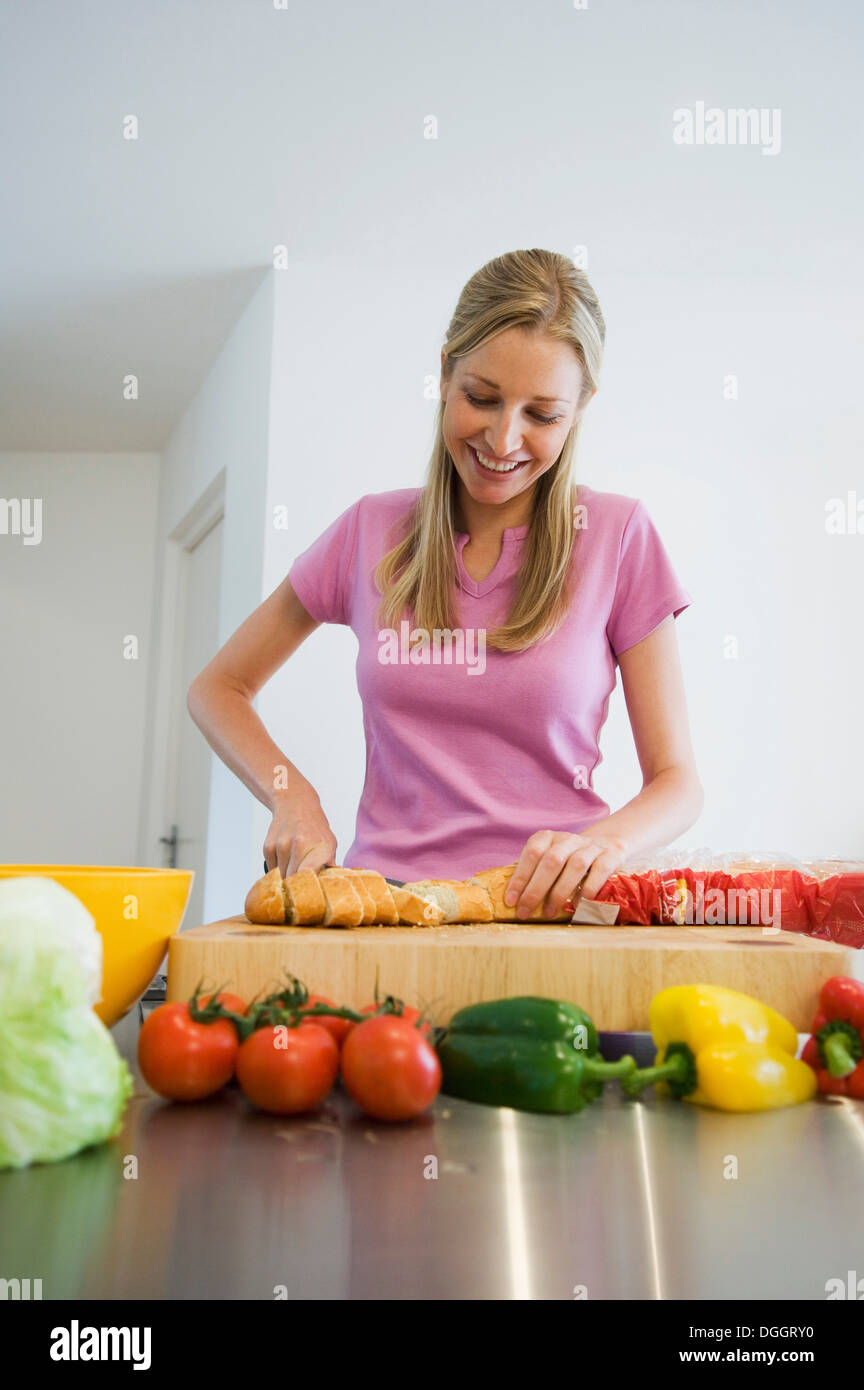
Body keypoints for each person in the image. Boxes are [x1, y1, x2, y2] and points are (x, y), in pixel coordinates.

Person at [188, 248, 702, 919]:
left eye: (541, 414)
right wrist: (293, 795)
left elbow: (679, 782)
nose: (502, 438)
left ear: (580, 410)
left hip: (554, 912)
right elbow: (217, 689)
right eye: (481, 398)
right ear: (444, 376)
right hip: (388, 911)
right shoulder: (370, 530)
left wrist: (602, 844)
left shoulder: (618, 534)